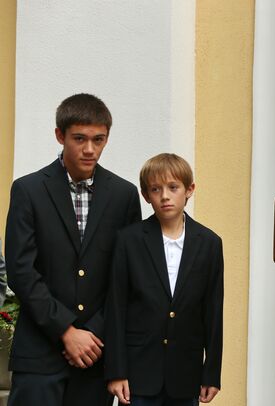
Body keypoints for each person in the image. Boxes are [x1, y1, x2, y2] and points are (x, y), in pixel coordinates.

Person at [5, 93, 142, 406]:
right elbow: (21, 271)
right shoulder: (28, 190)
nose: (90, 149)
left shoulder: (124, 195)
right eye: (79, 139)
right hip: (38, 356)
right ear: (60, 135)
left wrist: (92, 333)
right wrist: (66, 330)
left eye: (99, 139)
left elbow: (126, 278)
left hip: (95, 355)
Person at [104, 153, 223, 406]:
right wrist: (116, 371)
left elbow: (213, 311)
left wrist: (211, 373)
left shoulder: (210, 243)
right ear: (146, 195)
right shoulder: (129, 240)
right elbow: (116, 308)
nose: (165, 196)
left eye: (173, 187)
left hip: (186, 374)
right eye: (155, 189)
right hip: (139, 374)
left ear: (189, 189)